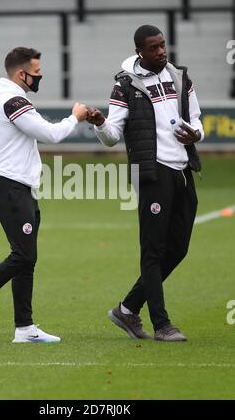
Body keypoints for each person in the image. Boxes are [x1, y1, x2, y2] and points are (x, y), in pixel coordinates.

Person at [0, 47, 88, 343]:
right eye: (36, 72)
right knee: (23, 255)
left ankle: (25, 329)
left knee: (28, 258)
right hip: (10, 187)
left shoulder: (12, 99)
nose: (40, 76)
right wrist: (75, 117)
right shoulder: (13, 100)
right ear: (21, 74)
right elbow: (50, 134)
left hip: (20, 187)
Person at [87, 25, 204, 342]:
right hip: (151, 172)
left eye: (163, 45)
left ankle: (127, 309)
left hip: (182, 170)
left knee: (177, 249)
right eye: (154, 48)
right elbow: (112, 136)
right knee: (152, 251)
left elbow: (197, 121)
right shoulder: (125, 86)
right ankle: (162, 324)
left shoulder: (180, 77)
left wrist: (196, 135)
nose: (161, 52)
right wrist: (100, 123)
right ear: (139, 51)